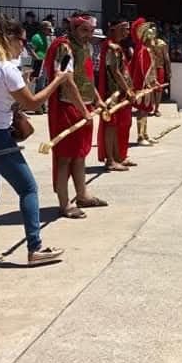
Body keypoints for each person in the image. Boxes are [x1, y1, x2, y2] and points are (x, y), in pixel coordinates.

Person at [0, 15, 68, 265]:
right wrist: (58, 80)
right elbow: (33, 103)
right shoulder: (6, 67)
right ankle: (35, 246)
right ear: (10, 38)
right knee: (28, 188)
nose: (23, 45)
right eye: (21, 40)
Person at [43, 13, 107, 219]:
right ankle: (65, 203)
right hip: (67, 108)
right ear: (73, 29)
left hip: (83, 107)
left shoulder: (84, 47)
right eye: (83, 30)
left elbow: (86, 78)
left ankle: (83, 195)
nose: (87, 35)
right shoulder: (65, 47)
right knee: (65, 157)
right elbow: (67, 82)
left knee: (80, 155)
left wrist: (97, 99)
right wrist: (83, 111)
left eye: (90, 31)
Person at [97, 18, 136, 170]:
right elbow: (115, 71)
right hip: (112, 93)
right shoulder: (111, 47)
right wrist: (127, 89)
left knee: (119, 125)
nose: (127, 31)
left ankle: (119, 156)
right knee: (111, 126)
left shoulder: (117, 47)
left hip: (119, 92)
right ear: (114, 28)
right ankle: (110, 160)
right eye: (124, 28)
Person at [130, 18, 158, 146]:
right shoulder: (143, 50)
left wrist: (154, 81)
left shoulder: (148, 50)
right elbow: (142, 69)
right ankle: (140, 137)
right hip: (143, 85)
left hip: (148, 85)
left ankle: (145, 134)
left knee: (146, 110)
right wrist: (148, 83)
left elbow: (151, 69)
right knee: (142, 111)